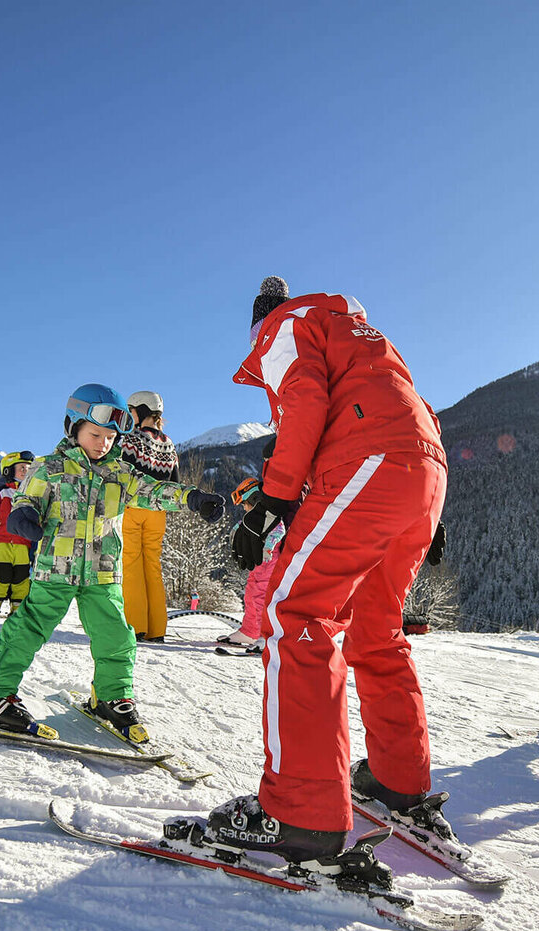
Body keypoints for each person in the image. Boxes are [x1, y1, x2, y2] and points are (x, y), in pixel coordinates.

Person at [203, 277, 450, 868]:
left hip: (369, 461)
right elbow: (415, 406)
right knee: (376, 628)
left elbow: (306, 401)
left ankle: (299, 814)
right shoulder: (365, 336)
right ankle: (398, 780)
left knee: (295, 613)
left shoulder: (286, 325)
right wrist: (424, 509)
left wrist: (274, 497)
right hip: (423, 475)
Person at [0, 384, 224, 737]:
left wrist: (192, 497)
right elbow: (26, 500)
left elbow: (153, 490)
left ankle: (112, 697)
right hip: (56, 571)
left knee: (117, 636)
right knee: (26, 631)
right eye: (96, 434)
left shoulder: (120, 473)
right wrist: (23, 516)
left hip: (103, 573)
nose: (103, 443)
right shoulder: (48, 467)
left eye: (111, 437)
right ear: (73, 427)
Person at [121, 391, 179, 643]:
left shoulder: (130, 439)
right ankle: (157, 629)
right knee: (153, 568)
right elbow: (175, 483)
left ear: (141, 411)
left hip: (133, 508)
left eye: (131, 410)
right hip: (159, 513)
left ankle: (135, 625)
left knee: (130, 565)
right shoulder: (169, 444)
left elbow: (121, 475)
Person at [217, 477, 285, 651]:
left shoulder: (271, 517)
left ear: (255, 500)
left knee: (262, 598)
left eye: (245, 504)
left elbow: (279, 530)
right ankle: (249, 632)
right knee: (250, 595)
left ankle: (266, 635)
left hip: (270, 565)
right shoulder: (254, 519)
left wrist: (269, 547)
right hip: (258, 566)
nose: (244, 508)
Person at [0, 450, 35, 617]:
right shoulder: (1, 492)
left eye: (28, 468)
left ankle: (17, 606)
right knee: (0, 572)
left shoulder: (33, 494)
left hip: (23, 542)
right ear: (8, 470)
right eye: (21, 468)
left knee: (21, 574)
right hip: (2, 541)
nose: (25, 471)